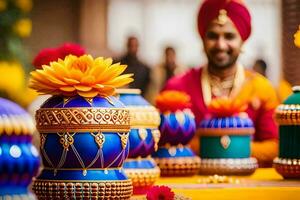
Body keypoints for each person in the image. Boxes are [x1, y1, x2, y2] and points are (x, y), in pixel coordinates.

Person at [163, 0, 279, 166]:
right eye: (213, 36)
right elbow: (164, 144)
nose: (220, 45)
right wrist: (233, 146)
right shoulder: (177, 88)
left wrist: (214, 146)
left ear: (242, 41)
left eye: (229, 36)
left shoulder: (261, 88)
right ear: (203, 39)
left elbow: (275, 147)